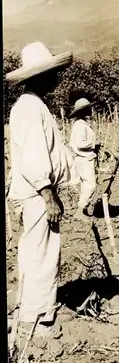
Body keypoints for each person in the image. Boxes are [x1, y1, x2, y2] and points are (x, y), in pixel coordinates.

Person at [6, 41, 78, 337]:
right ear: (39, 76)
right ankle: (38, 320)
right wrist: (49, 196)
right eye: (52, 73)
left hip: (36, 192)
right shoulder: (32, 108)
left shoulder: (28, 106)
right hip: (38, 194)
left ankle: (29, 310)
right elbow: (36, 159)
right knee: (43, 254)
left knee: (33, 251)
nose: (57, 78)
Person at [69, 98, 100, 218]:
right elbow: (80, 144)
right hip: (84, 159)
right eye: (89, 109)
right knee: (91, 185)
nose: (91, 110)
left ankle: (82, 211)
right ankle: (80, 211)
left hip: (84, 158)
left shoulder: (81, 124)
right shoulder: (80, 126)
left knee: (85, 185)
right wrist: (94, 144)